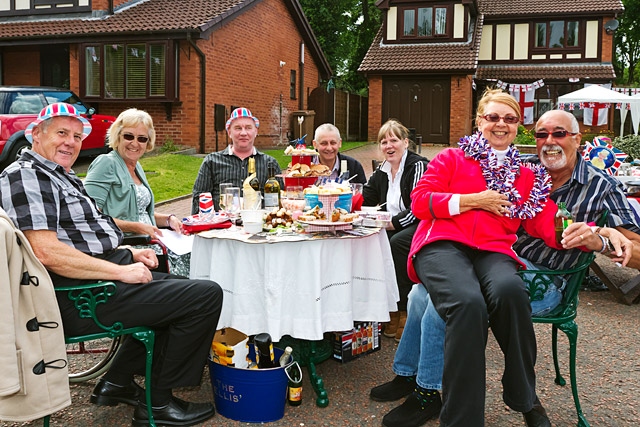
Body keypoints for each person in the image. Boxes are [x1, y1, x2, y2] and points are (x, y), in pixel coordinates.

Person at [371, 107, 638, 427]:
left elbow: (632, 248)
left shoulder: (602, 186)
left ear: (578, 139)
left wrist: (602, 238)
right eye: (542, 134)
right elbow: (454, 202)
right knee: (422, 293)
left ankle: (431, 392)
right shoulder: (518, 167)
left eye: (560, 134)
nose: (549, 141)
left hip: (546, 279)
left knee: (440, 300)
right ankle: (409, 376)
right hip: (495, 258)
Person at [0, 103, 223, 427]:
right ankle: (157, 403)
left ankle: (116, 382)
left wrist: (129, 255)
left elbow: (81, 236)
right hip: (77, 296)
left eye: (77, 136)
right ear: (35, 134)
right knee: (204, 297)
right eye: (61, 132)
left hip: (96, 277)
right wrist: (120, 271)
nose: (71, 142)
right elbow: (46, 252)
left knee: (183, 285)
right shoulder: (26, 175)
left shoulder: (59, 174)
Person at [84, 108, 190, 277]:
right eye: (128, 136)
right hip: (127, 246)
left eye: (142, 139)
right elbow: (89, 216)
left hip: (151, 242)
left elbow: (137, 211)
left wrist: (168, 219)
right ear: (117, 136)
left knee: (193, 255)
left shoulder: (136, 166)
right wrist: (137, 227)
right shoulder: (106, 163)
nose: (135, 143)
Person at [362, 119, 429, 342]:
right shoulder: (381, 170)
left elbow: (418, 209)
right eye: (384, 141)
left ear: (405, 142)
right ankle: (387, 307)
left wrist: (389, 224)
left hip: (418, 225)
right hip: (389, 224)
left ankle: (404, 311)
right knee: (367, 241)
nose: (389, 146)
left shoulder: (418, 166)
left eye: (394, 140)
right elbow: (366, 199)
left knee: (396, 243)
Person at [191, 107, 281, 213]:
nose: (243, 133)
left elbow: (281, 201)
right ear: (229, 132)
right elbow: (199, 199)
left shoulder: (270, 164)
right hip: (221, 227)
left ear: (255, 131)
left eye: (248, 128)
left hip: (259, 225)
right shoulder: (211, 162)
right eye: (238, 128)